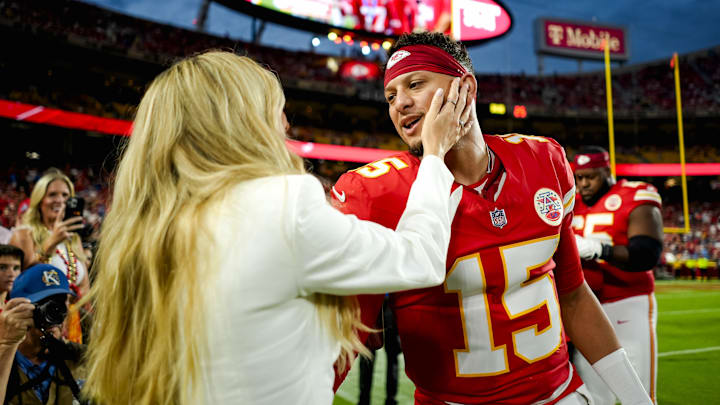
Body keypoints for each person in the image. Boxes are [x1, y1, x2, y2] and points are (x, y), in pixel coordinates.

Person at [83, 50, 471, 405]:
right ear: (239, 121)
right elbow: (420, 257)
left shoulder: (142, 225)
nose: (285, 123)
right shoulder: (283, 204)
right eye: (276, 109)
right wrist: (434, 156)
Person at [332, 32, 652, 405]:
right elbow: (344, 335)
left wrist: (638, 400)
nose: (400, 103)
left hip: (559, 395)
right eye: (390, 96)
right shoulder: (372, 192)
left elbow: (574, 295)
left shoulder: (543, 160)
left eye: (415, 84)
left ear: (465, 87)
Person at [571, 146, 664, 404]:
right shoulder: (570, 201)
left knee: (638, 392)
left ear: (607, 171)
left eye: (591, 176)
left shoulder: (633, 195)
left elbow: (647, 253)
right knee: (594, 393)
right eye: (579, 177)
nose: (584, 184)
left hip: (628, 301)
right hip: (586, 304)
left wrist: (600, 249)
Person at [4, 263, 87, 405]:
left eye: (60, 304)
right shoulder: (4, 359)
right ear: (17, 308)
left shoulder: (78, 357)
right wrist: (6, 344)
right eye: (43, 303)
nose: (54, 312)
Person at [8, 171, 89, 298]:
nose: (60, 200)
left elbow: (85, 287)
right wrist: (51, 244)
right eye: (52, 195)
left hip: (74, 316)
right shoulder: (23, 235)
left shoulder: (73, 238)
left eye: (65, 195)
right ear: (40, 201)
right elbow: (17, 285)